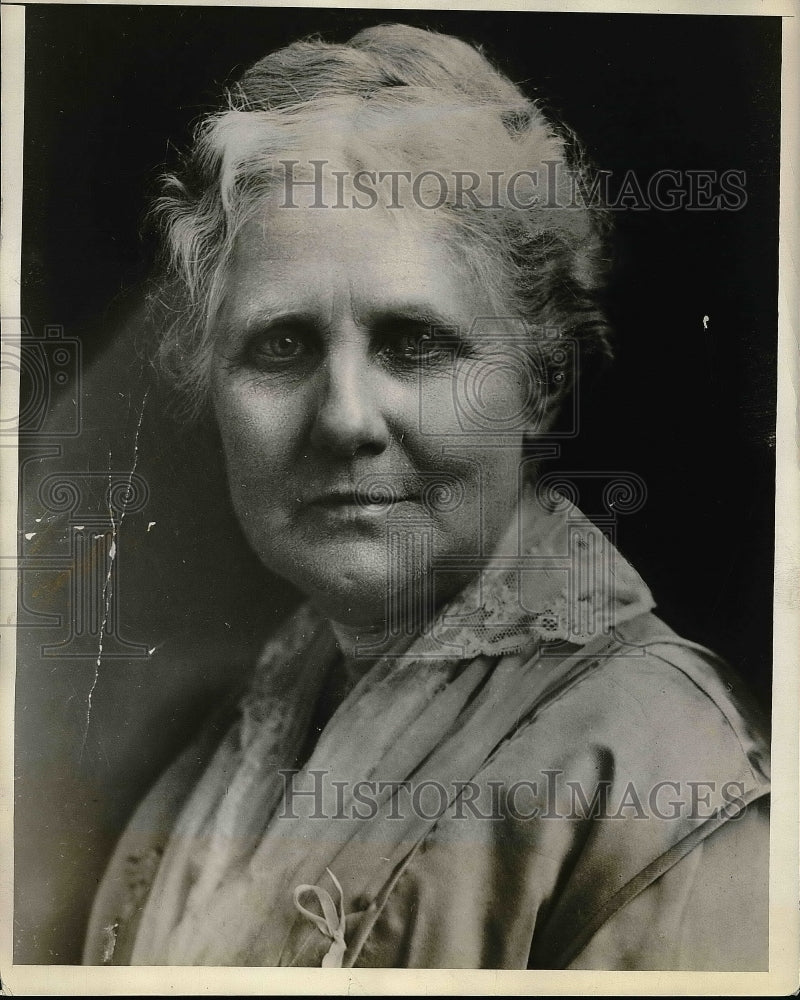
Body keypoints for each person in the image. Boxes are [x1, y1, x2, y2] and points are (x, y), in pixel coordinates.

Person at [82, 24, 770, 969]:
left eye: (414, 343)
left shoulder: (659, 773)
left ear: (540, 386)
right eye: (280, 345)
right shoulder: (230, 745)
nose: (345, 418)